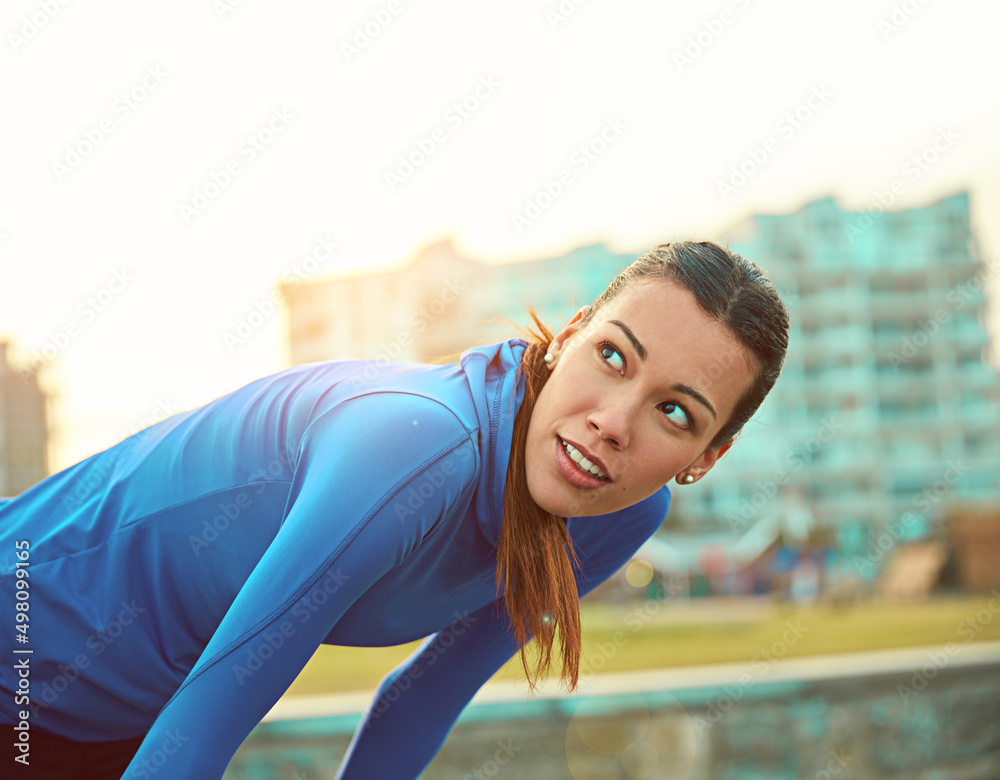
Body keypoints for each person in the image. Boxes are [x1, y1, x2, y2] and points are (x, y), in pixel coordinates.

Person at [0, 241, 789, 779]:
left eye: (676, 412)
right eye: (613, 356)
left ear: (708, 455)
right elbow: (220, 703)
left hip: (106, 729)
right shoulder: (415, 447)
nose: (612, 421)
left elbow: (424, 697)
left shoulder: (619, 517)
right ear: (573, 335)